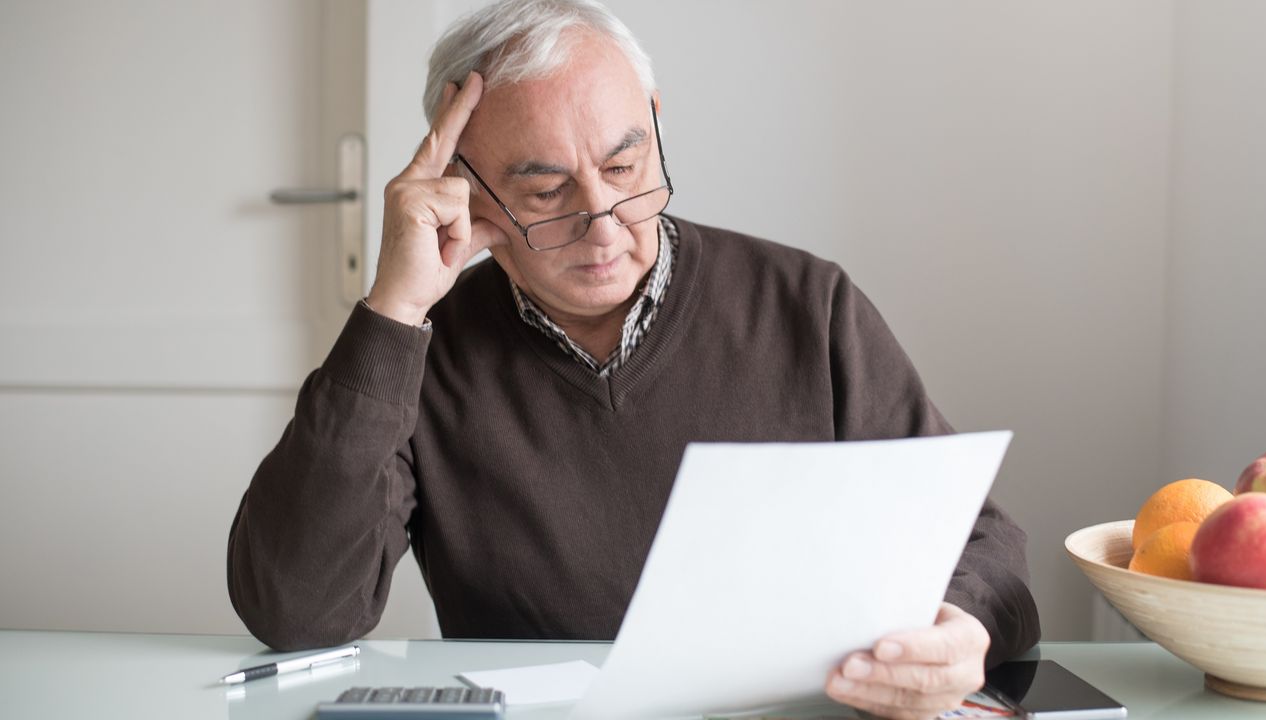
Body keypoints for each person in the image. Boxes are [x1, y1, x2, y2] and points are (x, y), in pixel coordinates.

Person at [226, 1, 1040, 717]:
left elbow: (981, 542)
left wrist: (961, 631)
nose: (605, 224)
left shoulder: (807, 305)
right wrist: (393, 312)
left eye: (625, 167)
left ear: (656, 122)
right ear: (463, 187)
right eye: (546, 193)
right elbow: (298, 611)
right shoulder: (424, 349)